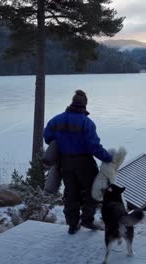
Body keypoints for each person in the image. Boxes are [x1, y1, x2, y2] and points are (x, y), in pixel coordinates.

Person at [44, 90, 113, 234]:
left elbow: (47, 137)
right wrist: (108, 158)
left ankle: (72, 224)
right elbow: (93, 146)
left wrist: (62, 143)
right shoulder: (86, 123)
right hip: (84, 162)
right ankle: (87, 220)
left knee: (70, 193)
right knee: (92, 191)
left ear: (72, 102)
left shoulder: (56, 120)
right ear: (85, 104)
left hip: (65, 162)